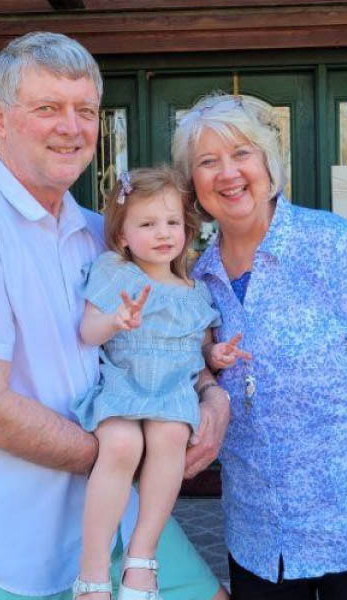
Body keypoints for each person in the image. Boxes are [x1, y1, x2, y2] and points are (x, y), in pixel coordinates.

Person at [0, 32, 229, 600]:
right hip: (12, 543)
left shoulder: (103, 235)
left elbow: (161, 340)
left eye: (85, 111)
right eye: (48, 108)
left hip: (119, 518)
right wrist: (132, 453)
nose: (71, 128)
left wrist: (211, 398)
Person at [172, 93, 347, 600]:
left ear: (268, 164)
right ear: (192, 183)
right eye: (207, 162)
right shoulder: (196, 281)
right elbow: (185, 369)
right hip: (261, 533)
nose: (228, 173)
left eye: (242, 154)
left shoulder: (335, 246)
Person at [70, 167, 249, 600]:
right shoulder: (117, 271)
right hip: (124, 384)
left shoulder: (193, 291)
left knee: (170, 433)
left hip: (170, 392)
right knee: (120, 444)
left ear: (186, 229)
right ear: (122, 236)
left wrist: (215, 356)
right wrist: (117, 320)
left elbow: (199, 348)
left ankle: (141, 560)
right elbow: (87, 331)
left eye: (172, 222)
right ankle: (92, 571)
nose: (163, 233)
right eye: (147, 224)